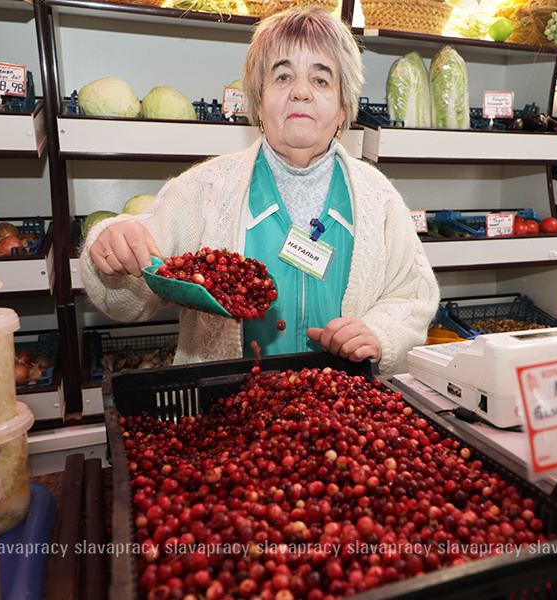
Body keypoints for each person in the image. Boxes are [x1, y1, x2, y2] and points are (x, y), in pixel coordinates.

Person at [80, 6, 439, 375]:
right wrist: (113, 248)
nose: (300, 91)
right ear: (258, 101)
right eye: (283, 77)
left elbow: (412, 296)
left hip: (341, 415)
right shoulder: (204, 190)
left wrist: (379, 334)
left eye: (321, 80)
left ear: (344, 107)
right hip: (230, 411)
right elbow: (126, 300)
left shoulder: (378, 199)